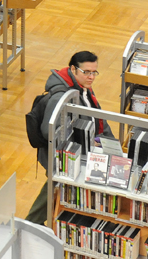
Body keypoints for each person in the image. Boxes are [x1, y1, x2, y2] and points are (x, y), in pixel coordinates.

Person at [24, 51, 113, 225]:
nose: (91, 77)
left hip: (83, 147)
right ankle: (31, 223)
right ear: (73, 69)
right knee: (54, 186)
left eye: (94, 72)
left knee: (56, 187)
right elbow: (48, 131)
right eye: (86, 72)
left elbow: (95, 114)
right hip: (65, 155)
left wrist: (108, 140)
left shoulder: (82, 87)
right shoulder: (61, 97)